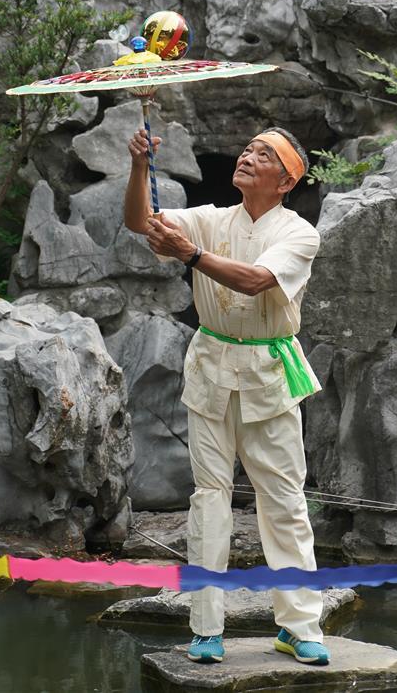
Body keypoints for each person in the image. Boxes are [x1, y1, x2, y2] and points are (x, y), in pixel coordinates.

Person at [124, 126, 330, 667]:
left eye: (264, 154)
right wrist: (141, 169)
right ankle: (205, 629)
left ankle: (299, 626)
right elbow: (139, 222)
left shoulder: (300, 233)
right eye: (247, 148)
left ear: (288, 180)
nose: (246, 155)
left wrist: (190, 255)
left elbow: (255, 280)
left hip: (270, 373)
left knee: (283, 502)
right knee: (209, 498)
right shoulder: (213, 218)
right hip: (211, 368)